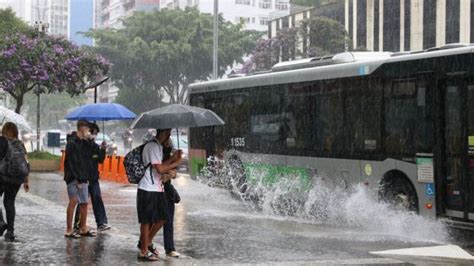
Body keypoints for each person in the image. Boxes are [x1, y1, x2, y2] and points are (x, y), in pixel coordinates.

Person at [136, 128, 182, 261]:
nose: (169, 137)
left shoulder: (157, 147)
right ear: (163, 134)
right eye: (168, 133)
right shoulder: (154, 146)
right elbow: (160, 169)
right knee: (146, 221)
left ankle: (147, 242)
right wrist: (177, 162)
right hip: (148, 188)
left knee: (163, 217)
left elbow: (159, 165)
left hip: (156, 188)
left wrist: (173, 159)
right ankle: (144, 251)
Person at [73, 123, 111, 232]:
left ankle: (101, 222)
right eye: (93, 133)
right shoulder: (81, 145)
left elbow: (100, 159)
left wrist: (103, 149)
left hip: (93, 178)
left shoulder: (94, 146)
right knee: (82, 202)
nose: (94, 135)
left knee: (97, 199)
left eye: (96, 134)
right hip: (83, 178)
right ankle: (78, 223)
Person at [64, 120, 96, 238]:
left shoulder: (84, 143)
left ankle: (83, 227)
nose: (88, 131)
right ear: (81, 128)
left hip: (84, 177)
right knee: (73, 201)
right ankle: (69, 229)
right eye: (86, 128)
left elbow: (91, 154)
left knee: (84, 203)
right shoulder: (72, 143)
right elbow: (72, 162)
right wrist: (76, 179)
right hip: (74, 177)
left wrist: (90, 141)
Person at [0, 122, 29, 241]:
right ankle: (10, 231)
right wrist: (26, 180)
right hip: (17, 179)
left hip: (3, 176)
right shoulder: (20, 144)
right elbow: (26, 163)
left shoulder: (2, 142)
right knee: (9, 202)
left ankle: (1, 222)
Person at [162, 137, 180, 258]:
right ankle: (144, 243)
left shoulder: (170, 154)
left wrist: (175, 164)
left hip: (167, 191)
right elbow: (160, 173)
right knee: (154, 221)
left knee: (168, 221)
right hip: (155, 190)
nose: (169, 139)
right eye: (167, 135)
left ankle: (170, 248)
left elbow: (173, 175)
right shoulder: (156, 151)